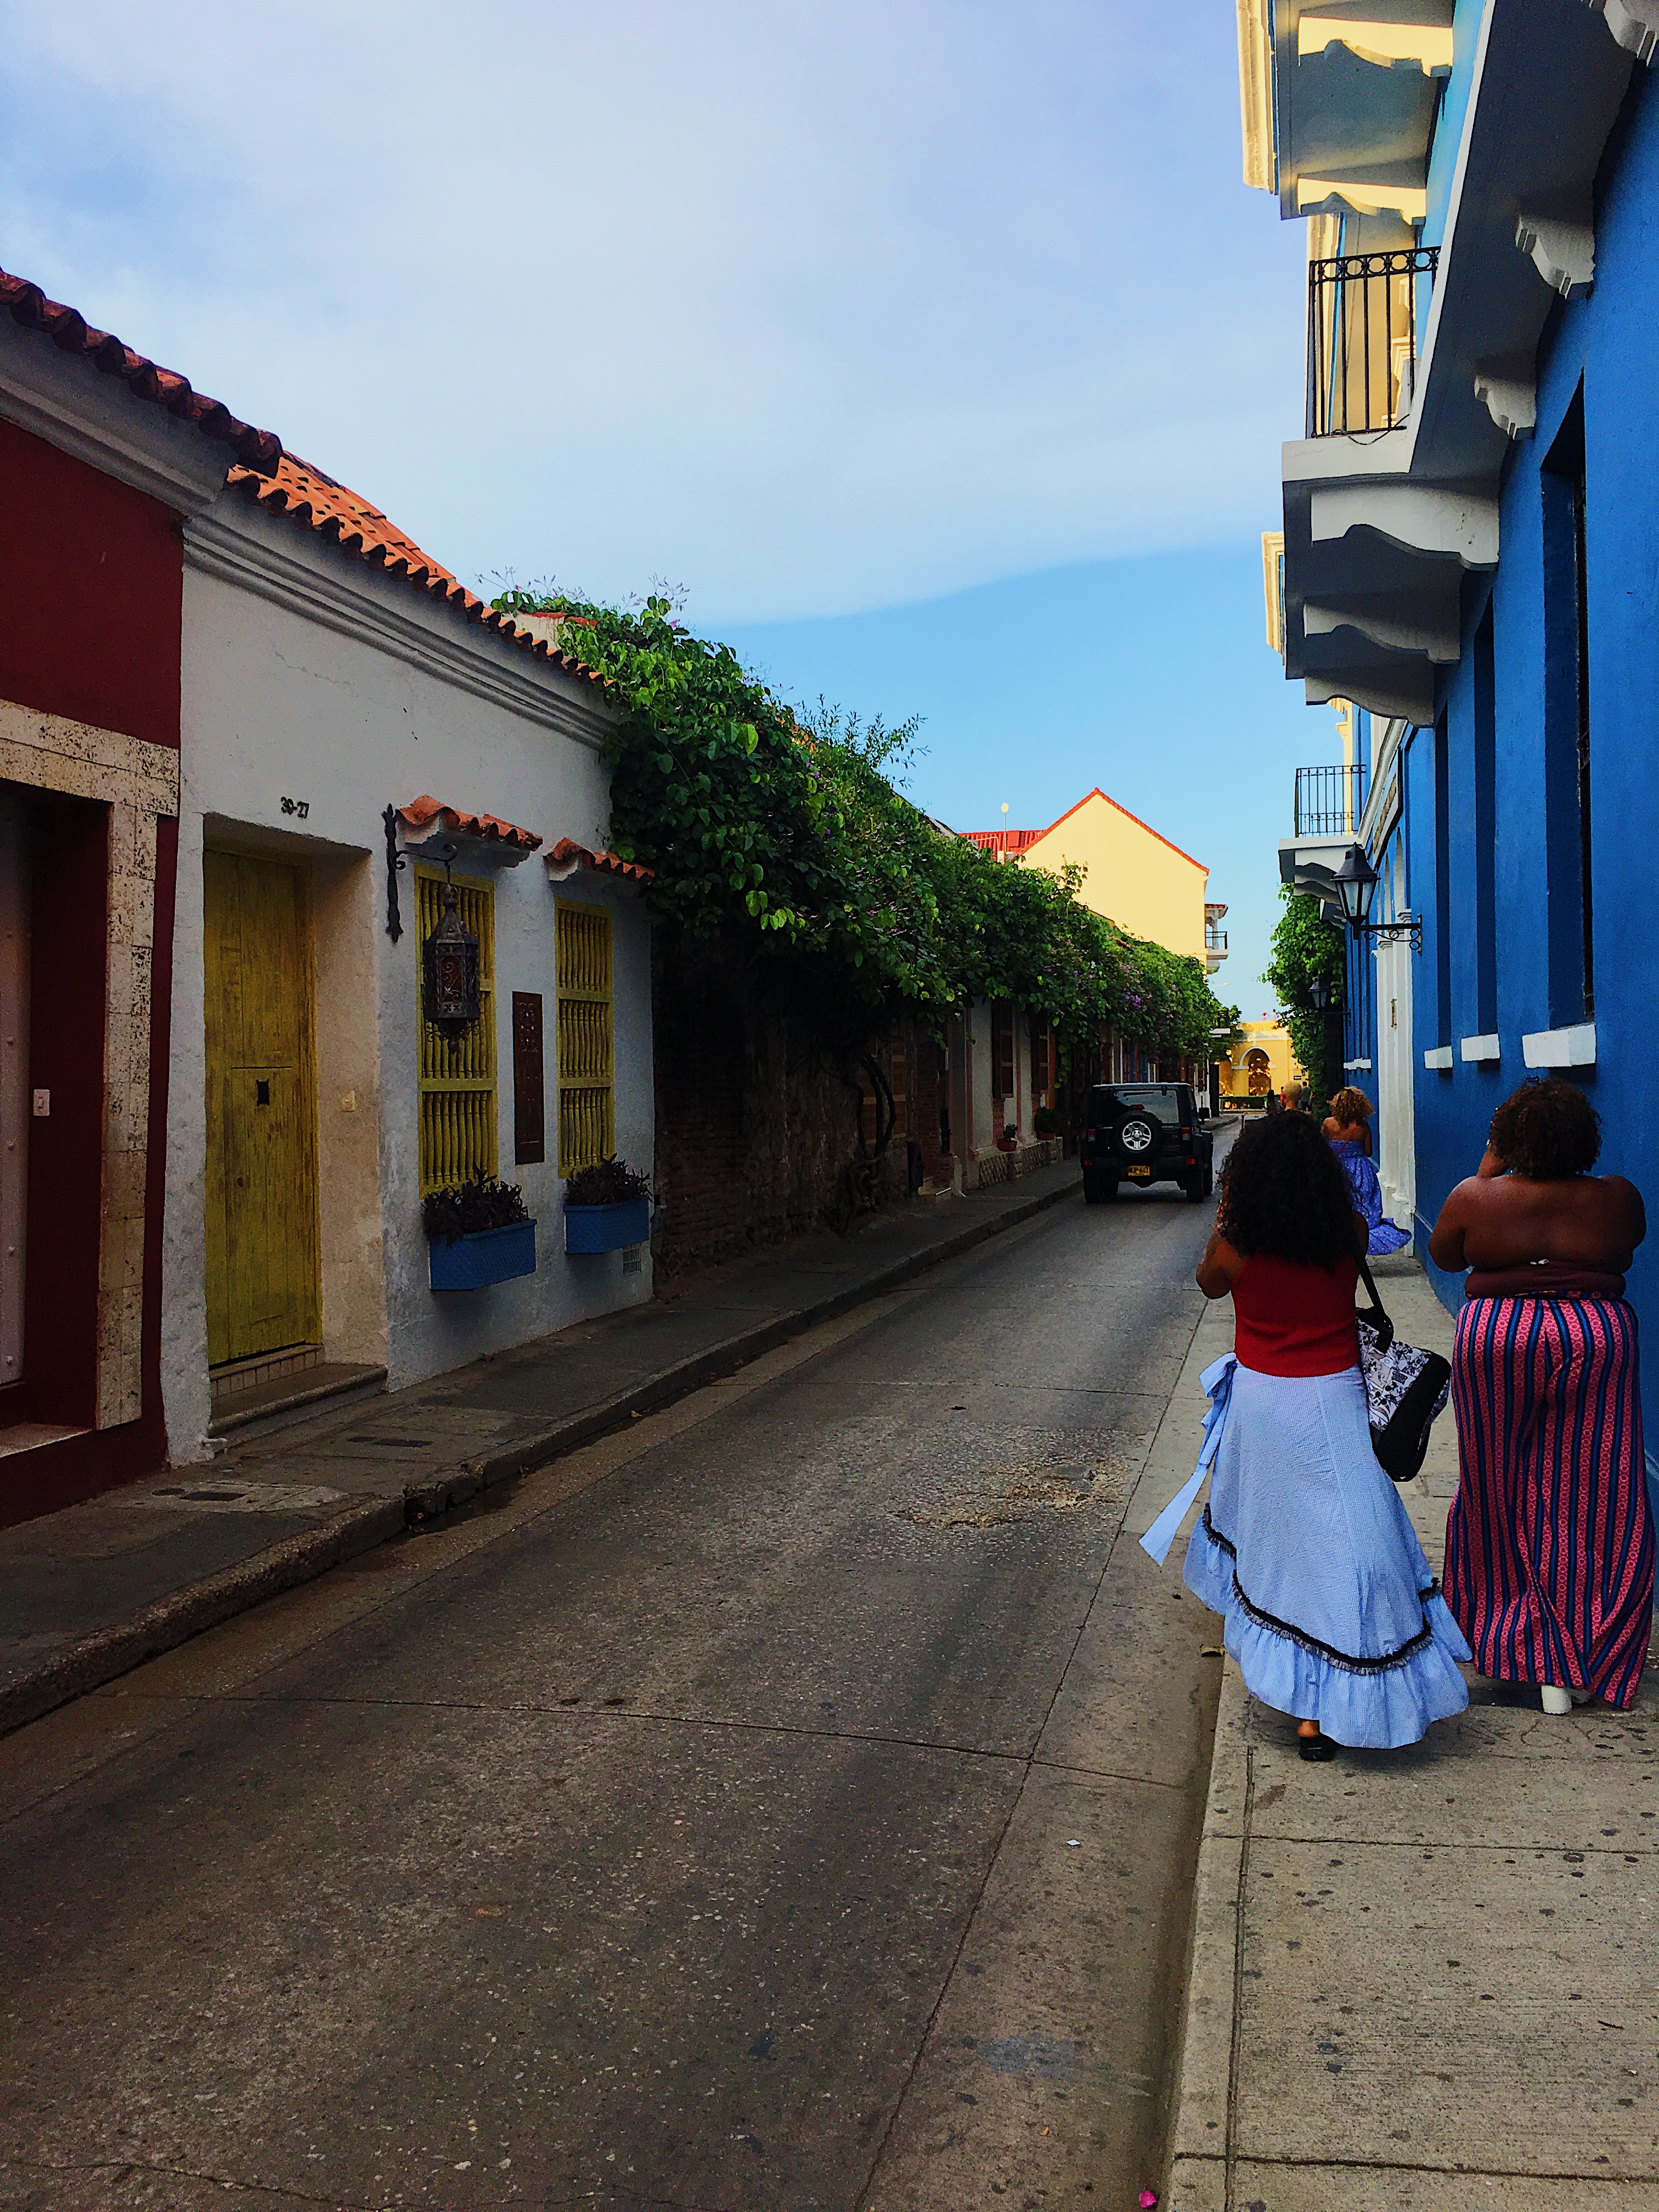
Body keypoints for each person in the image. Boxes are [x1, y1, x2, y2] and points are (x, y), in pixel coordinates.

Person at [1187, 1114, 1470, 1757]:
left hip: (1264, 1404)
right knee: (1355, 1531)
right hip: (1338, 1395)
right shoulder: (1343, 1229)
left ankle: (1304, 1698)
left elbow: (1209, 1284)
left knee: (1283, 1541)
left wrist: (1226, 1211)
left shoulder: (1238, 1241)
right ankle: (1342, 1687)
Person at [1428, 1079, 1653, 1713]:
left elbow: (1445, 1256)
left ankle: (1511, 1643)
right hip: (1594, 1336)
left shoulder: (1475, 1197)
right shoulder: (1616, 1197)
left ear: (1509, 1140)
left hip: (1498, 1337)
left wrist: (1486, 1171)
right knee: (1593, 1492)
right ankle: (1579, 1650)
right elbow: (1628, 1246)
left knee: (1495, 1487)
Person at [1323, 1086, 1410, 1255]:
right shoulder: (1362, 1127)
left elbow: (1322, 1147)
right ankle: (1362, 1246)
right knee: (1365, 1211)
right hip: (1361, 1171)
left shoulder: (1328, 1124)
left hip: (1336, 1170)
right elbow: (1368, 1151)